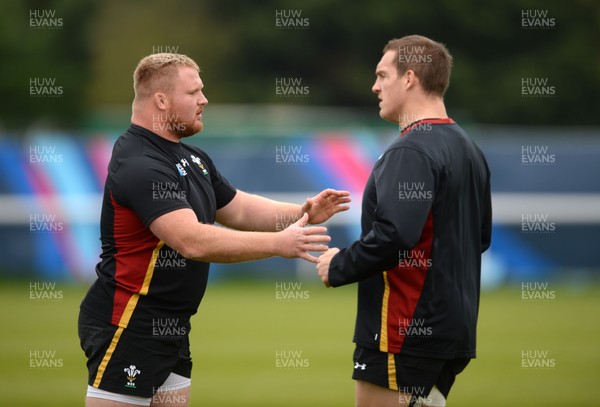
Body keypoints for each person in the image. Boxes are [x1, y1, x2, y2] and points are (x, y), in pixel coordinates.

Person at [78, 53, 350, 407]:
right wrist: (278, 244)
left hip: (172, 325)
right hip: (128, 323)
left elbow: (239, 208)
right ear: (161, 100)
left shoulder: (191, 158)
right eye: (193, 93)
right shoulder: (140, 163)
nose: (204, 100)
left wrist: (302, 213)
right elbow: (191, 240)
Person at [316, 35, 492, 407]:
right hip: (450, 331)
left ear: (409, 78)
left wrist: (338, 265)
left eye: (382, 75)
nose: (374, 86)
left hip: (403, 331)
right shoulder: (467, 147)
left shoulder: (411, 148)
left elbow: (395, 235)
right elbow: (480, 237)